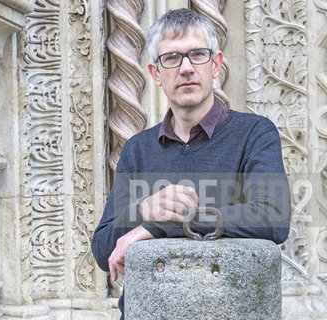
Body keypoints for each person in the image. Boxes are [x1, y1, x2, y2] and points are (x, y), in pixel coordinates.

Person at [91, 8, 291, 319]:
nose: (186, 68)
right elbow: (104, 252)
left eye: (198, 54)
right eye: (171, 58)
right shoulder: (137, 150)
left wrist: (162, 224)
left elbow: (272, 217)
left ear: (216, 64)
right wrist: (144, 211)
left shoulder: (254, 133)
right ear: (156, 73)